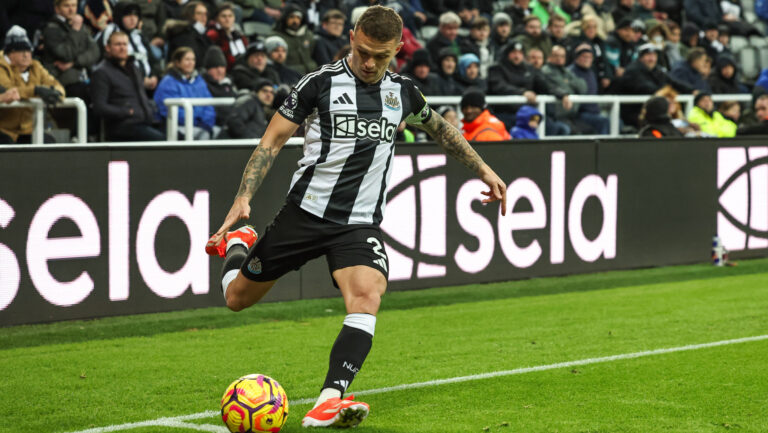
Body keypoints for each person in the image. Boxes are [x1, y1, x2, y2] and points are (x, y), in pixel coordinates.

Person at [204, 6, 507, 429]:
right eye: (363, 51)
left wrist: (485, 170)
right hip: (305, 214)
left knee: (367, 296)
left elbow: (441, 129)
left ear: (398, 50)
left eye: (381, 56)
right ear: (351, 37)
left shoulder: (403, 93)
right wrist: (243, 197)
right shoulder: (319, 84)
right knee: (236, 299)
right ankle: (239, 245)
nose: (369, 63)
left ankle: (330, 398)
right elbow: (272, 141)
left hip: (358, 224)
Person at [91, 31, 165, 142]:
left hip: (144, 121)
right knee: (160, 140)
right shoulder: (102, 72)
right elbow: (99, 107)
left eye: (125, 44)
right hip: (122, 127)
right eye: (118, 44)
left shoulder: (134, 68)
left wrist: (150, 109)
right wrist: (126, 112)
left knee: (176, 136)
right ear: (108, 48)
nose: (122, 48)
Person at [0, 26, 64, 144]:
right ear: (9, 53)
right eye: (20, 51)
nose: (25, 55)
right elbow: (9, 91)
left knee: (49, 142)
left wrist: (54, 92)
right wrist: (36, 91)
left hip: (29, 130)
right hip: (4, 129)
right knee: (6, 142)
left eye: (28, 50)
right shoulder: (1, 66)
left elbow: (56, 85)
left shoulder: (36, 66)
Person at [41, 0, 101, 101]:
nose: (71, 9)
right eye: (66, 6)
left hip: (85, 77)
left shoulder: (81, 27)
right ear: (57, 8)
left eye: (74, 5)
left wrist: (74, 63)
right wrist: (75, 31)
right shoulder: (51, 29)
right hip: (64, 81)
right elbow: (66, 54)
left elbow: (95, 52)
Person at [154, 47, 217, 139]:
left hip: (203, 125)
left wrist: (206, 122)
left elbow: (209, 106)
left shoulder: (199, 81)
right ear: (177, 63)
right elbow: (168, 111)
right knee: (203, 135)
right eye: (187, 59)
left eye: (193, 59)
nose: (191, 63)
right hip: (178, 127)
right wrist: (196, 122)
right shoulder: (168, 82)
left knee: (223, 133)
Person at [96, 1, 163, 83]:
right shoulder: (110, 32)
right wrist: (140, 82)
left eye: (136, 15)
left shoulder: (138, 35)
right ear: (119, 16)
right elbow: (105, 61)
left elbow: (152, 60)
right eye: (128, 15)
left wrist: (154, 77)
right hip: (122, 84)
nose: (132, 19)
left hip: (147, 83)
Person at [270, 4, 317, 75]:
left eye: (298, 17)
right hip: (289, 75)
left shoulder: (308, 35)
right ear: (285, 18)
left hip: (312, 74)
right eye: (291, 17)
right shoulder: (276, 36)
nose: (295, 21)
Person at [165, 1, 212, 69]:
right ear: (190, 15)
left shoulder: (204, 34)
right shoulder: (183, 35)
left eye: (205, 14)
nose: (203, 17)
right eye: (199, 13)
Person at [201, 46, 238, 129]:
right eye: (216, 67)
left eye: (222, 67)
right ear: (207, 69)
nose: (220, 70)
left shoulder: (229, 84)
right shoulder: (202, 84)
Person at [206, 2, 248, 71]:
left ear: (234, 18)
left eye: (230, 16)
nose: (227, 19)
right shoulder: (213, 35)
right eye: (224, 16)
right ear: (217, 19)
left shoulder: (239, 36)